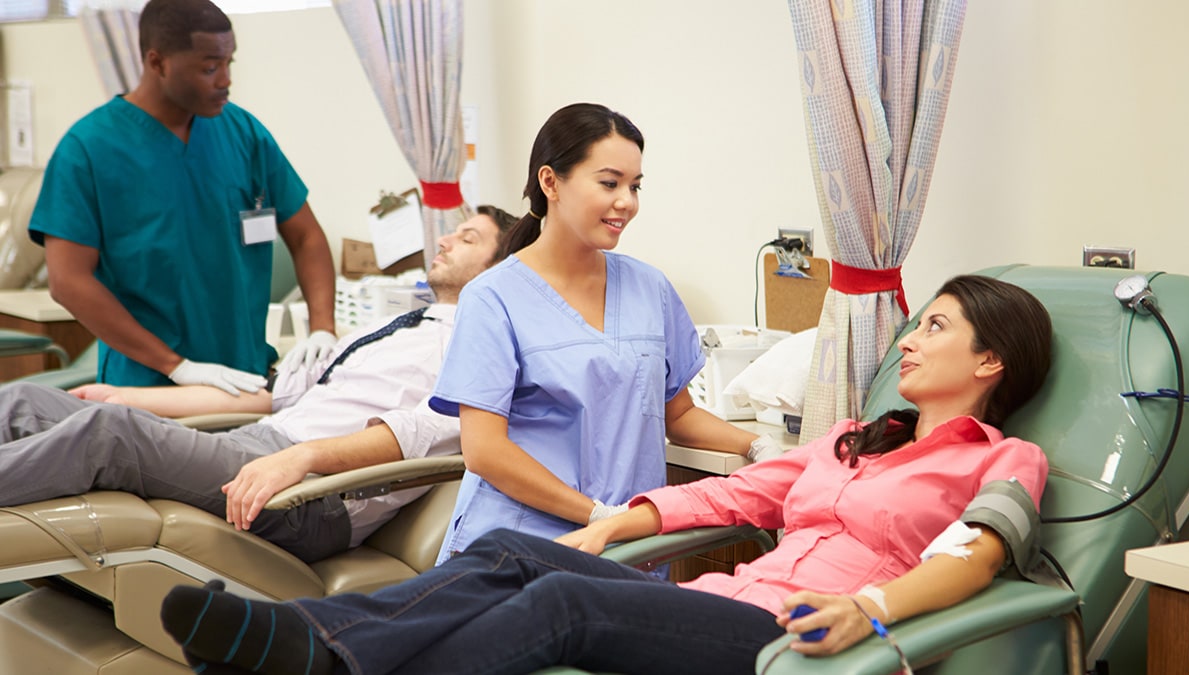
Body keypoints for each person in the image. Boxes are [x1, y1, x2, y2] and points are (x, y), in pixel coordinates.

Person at [159, 273, 1054, 675]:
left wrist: (873, 607)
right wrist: (616, 522)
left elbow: (975, 559)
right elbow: (736, 494)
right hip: (732, 601)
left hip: (796, 639)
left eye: (936, 327)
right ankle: (306, 640)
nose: (910, 338)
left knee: (564, 606)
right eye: (917, 322)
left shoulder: (1004, 460)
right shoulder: (855, 439)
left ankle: (317, 654)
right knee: (518, 545)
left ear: (992, 362)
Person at [0, 207, 516, 564]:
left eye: (468, 239)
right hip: (258, 445)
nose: (445, 239)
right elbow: (270, 395)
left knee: (106, 435)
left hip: (312, 495)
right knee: (30, 399)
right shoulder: (394, 327)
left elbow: (432, 430)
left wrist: (306, 457)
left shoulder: (479, 346)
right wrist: (128, 395)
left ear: (500, 271)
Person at [427, 103, 782, 564]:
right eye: (609, 183)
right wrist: (597, 515)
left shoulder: (649, 287)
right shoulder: (493, 298)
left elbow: (676, 414)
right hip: (520, 544)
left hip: (625, 546)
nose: (627, 202)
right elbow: (484, 452)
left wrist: (756, 445)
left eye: (635, 186)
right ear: (550, 182)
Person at [29, 0, 337, 393]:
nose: (224, 80)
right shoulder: (88, 150)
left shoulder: (243, 133)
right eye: (209, 68)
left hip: (246, 378)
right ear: (157, 63)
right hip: (145, 386)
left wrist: (323, 329)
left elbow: (306, 236)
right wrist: (177, 366)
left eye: (229, 63)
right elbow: (68, 281)